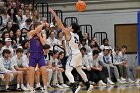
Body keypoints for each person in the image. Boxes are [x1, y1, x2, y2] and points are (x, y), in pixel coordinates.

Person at [49, 8, 93, 93]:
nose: (68, 27)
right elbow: (79, 44)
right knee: (79, 69)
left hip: (74, 55)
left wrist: (54, 13)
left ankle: (74, 86)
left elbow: (59, 23)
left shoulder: (69, 34)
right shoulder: (76, 35)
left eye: (69, 27)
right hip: (78, 54)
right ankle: (88, 85)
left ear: (72, 29)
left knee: (67, 71)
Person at [27, 21, 49, 93]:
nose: (41, 28)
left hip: (40, 55)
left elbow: (44, 43)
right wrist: (43, 24)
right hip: (33, 55)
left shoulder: (43, 34)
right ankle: (31, 88)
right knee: (31, 72)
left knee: (44, 72)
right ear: (36, 27)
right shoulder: (31, 33)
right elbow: (36, 30)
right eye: (40, 27)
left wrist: (40, 36)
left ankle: (45, 88)